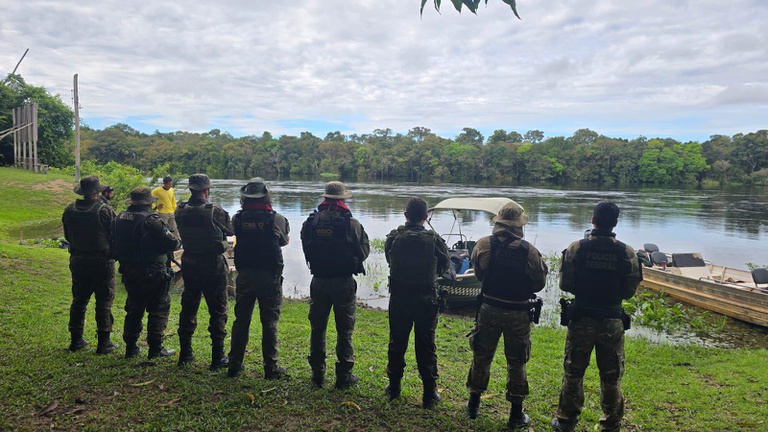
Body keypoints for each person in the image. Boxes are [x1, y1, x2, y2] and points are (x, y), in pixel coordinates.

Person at [551, 202, 642, 432]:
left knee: (573, 373)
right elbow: (630, 290)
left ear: (593, 219)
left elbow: (565, 284)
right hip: (612, 320)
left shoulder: (576, 248)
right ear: (615, 223)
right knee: (611, 377)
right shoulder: (626, 252)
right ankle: (610, 425)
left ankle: (565, 422)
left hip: (581, 317)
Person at [464, 201, 548, 428]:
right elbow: (539, 283)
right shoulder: (529, 250)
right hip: (517, 312)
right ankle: (515, 414)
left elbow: (480, 274)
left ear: (499, 223)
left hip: (489, 308)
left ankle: (473, 403)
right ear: (519, 225)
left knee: (481, 357)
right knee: (517, 362)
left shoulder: (483, 244)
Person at [300, 181, 370, 389]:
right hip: (343, 281)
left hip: (319, 280)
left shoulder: (311, 222)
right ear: (342, 200)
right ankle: (344, 376)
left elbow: (307, 248)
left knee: (317, 327)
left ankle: (317, 374)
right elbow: (364, 252)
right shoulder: (352, 223)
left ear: (325, 199)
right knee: (344, 329)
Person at [384, 197, 450, 409]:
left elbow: (389, 259)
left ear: (406, 216)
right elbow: (444, 267)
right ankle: (429, 395)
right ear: (426, 217)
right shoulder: (435, 240)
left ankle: (394, 388)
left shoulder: (394, 237)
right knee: (426, 344)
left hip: (399, 297)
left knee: (397, 342)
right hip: (426, 299)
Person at [228, 178, 290, 379]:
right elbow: (284, 241)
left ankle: (234, 365)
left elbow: (236, 235)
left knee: (241, 320)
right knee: (269, 322)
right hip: (269, 275)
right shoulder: (276, 218)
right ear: (266, 195)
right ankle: (270, 368)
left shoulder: (237, 219)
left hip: (244, 274)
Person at [112, 187, 180, 359]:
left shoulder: (119, 218)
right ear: (149, 203)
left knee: (134, 307)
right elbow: (172, 243)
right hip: (153, 270)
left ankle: (131, 347)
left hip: (128, 270)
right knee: (158, 307)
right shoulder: (152, 220)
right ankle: (155, 348)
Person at [174, 174, 232, 370]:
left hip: (189, 263)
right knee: (218, 310)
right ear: (207, 190)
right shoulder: (214, 210)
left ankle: (185, 353)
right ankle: (218, 357)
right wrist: (223, 243)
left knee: (188, 307)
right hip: (212, 265)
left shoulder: (179, 210)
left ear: (191, 189)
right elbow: (230, 231)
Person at [61, 176, 119, 354]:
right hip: (102, 261)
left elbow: (68, 236)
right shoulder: (105, 210)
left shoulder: (69, 210)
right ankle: (104, 343)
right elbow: (115, 236)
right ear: (97, 192)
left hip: (78, 260)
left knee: (79, 300)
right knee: (104, 301)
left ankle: (76, 340)